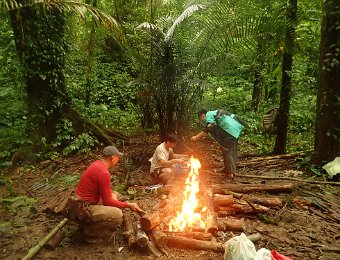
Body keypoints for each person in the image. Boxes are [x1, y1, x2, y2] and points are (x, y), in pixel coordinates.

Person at [72, 145, 143, 242]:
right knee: (118, 215)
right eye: (118, 157)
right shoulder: (103, 172)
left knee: (115, 194)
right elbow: (108, 201)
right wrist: (128, 205)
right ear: (112, 158)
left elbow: (106, 193)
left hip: (83, 203)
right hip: (83, 210)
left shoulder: (97, 164)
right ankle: (88, 232)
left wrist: (114, 198)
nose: (119, 159)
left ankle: (93, 224)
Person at [191, 109, 245, 177]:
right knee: (227, 150)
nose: (203, 121)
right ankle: (227, 169)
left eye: (201, 119)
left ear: (203, 115)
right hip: (233, 130)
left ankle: (230, 172)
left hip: (230, 132)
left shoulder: (208, 115)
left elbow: (208, 128)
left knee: (229, 151)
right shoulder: (213, 113)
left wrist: (196, 137)